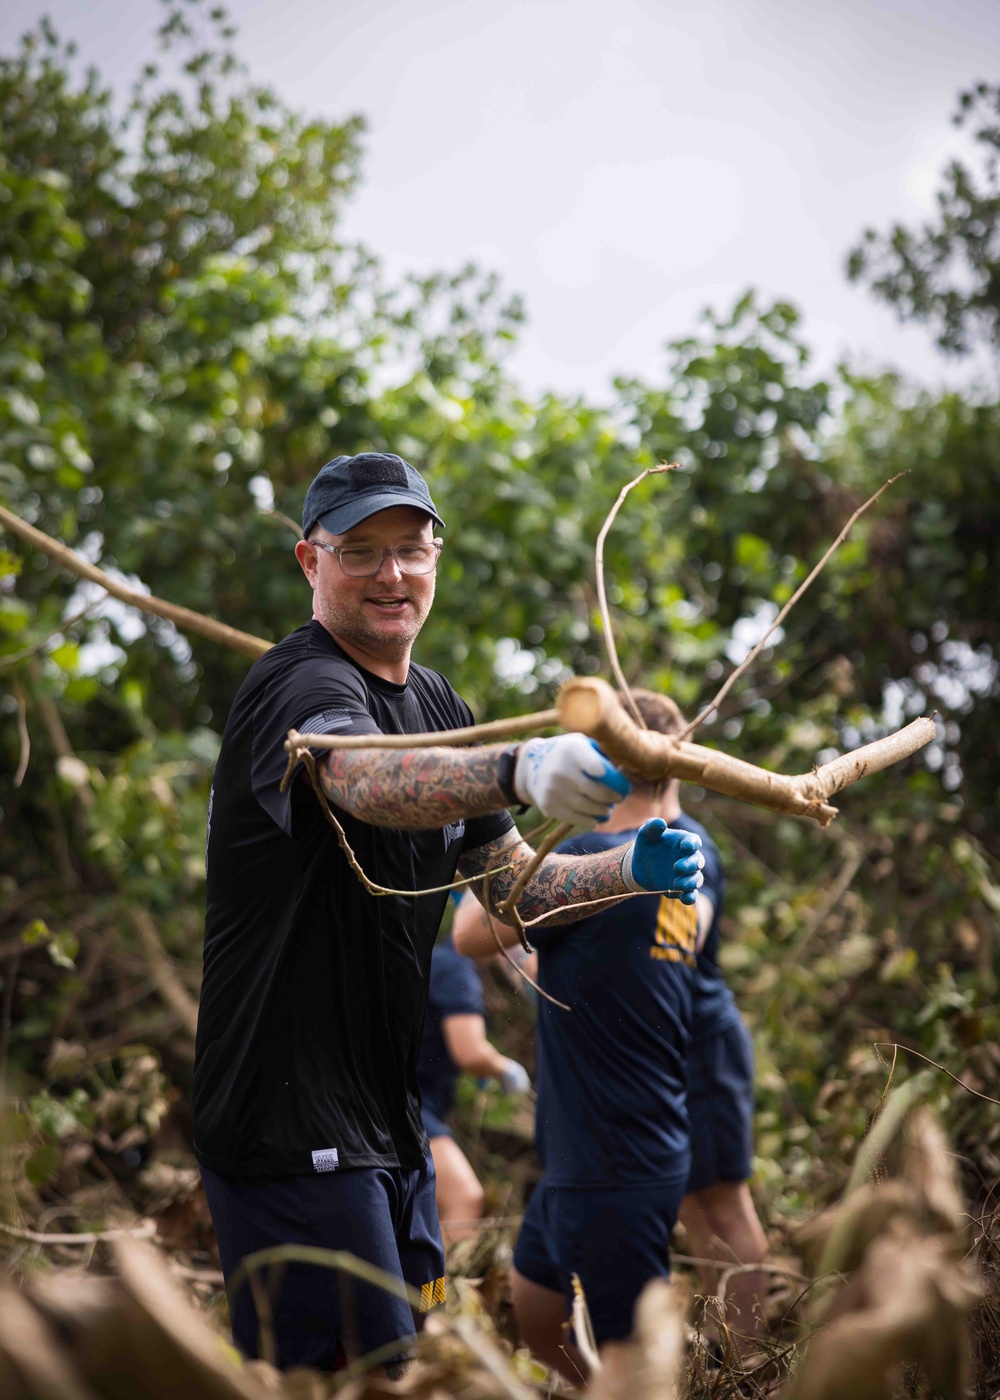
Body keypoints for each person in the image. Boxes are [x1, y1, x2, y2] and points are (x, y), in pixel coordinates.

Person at [193, 452, 705, 1374]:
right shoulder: (299, 686)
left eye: (410, 549)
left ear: (436, 557)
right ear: (311, 564)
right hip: (289, 1120)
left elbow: (510, 889)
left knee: (423, 1356)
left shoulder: (436, 702)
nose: (391, 574)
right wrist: (515, 768)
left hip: (393, 1124)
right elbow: (365, 781)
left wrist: (628, 869)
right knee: (359, 1379)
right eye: (360, 552)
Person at [454, 688, 766, 1376]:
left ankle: (750, 1369)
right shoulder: (683, 853)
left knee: (720, 1214)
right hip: (641, 1082)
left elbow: (474, 932)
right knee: (546, 1297)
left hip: (663, 1082)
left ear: (603, 762)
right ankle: (732, 1367)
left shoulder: (610, 859)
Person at [417, 934, 530, 1243]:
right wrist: (503, 1069)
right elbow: (470, 1052)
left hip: (408, 1105)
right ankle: (442, 1292)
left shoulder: (440, 960)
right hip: (412, 1109)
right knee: (463, 1199)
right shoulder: (456, 968)